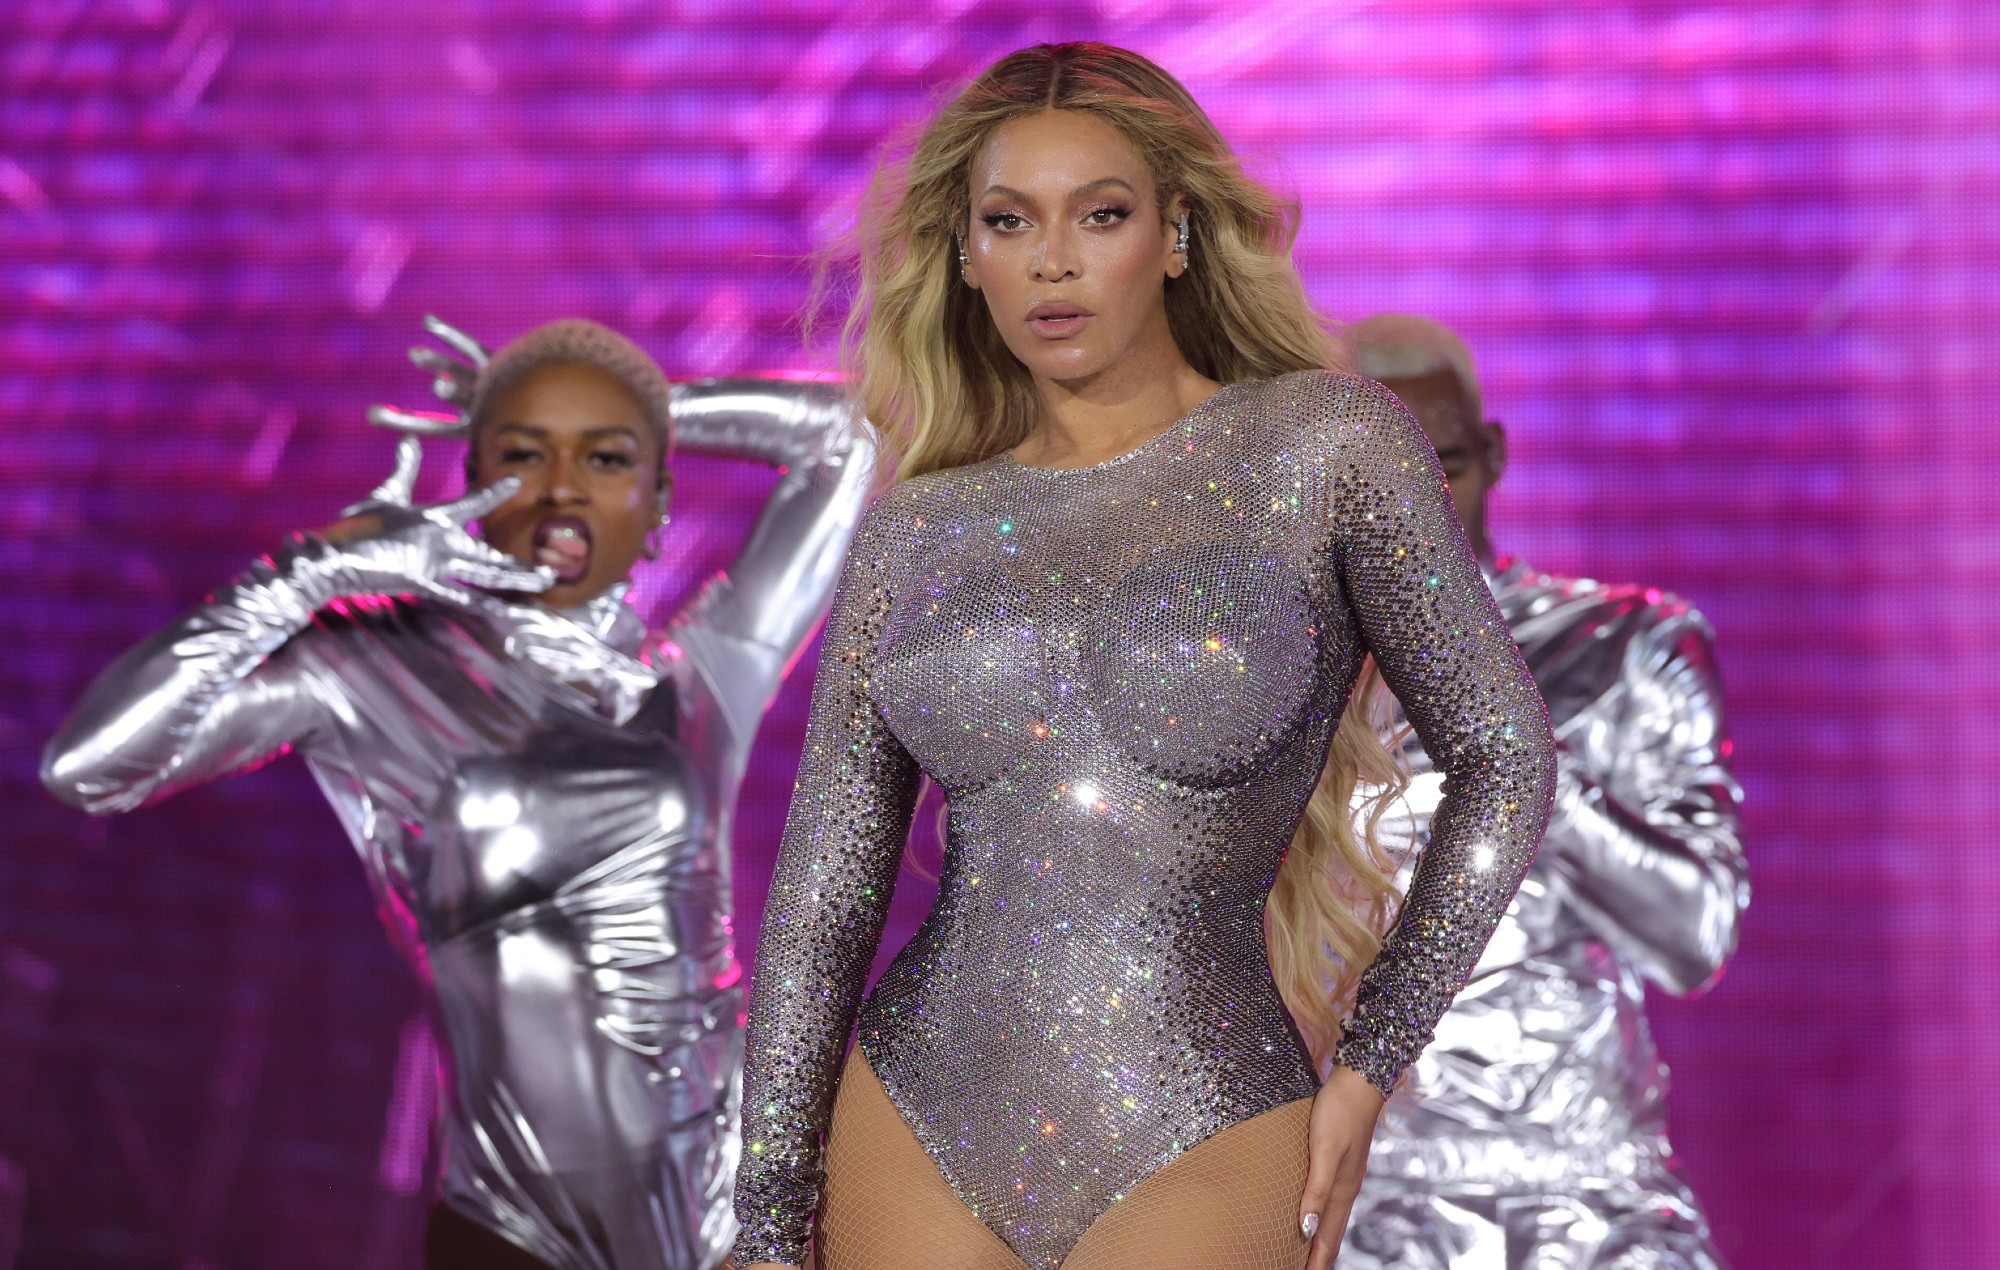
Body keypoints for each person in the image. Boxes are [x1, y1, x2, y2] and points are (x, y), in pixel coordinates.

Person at [731, 43, 1556, 1270]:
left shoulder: (1320, 446)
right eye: (1008, 222)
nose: (1052, 260)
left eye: (1099, 215)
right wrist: (763, 1217)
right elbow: (820, 888)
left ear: (1174, 234)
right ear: (966, 259)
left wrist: (1371, 1063)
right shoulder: (921, 521)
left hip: (1203, 1119)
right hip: (911, 1116)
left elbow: (1503, 753)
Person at [41, 317, 875, 1270]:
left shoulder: (698, 681)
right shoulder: (376, 666)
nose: (563, 487)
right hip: (517, 1233)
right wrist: (301, 573)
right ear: (475, 484)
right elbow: (87, 768)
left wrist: (625, 406)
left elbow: (845, 437)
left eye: (606, 460)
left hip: (736, 1223)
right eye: (524, 454)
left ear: (658, 504)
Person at [1335, 314, 1746, 1269]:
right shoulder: (1288, 680)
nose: (1418, 510)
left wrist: (1518, 762)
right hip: (1368, 1192)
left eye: (1445, 469)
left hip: (1590, 1195)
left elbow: (1696, 939)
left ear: (1494, 453)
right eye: (1379, 485)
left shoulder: (1627, 647)